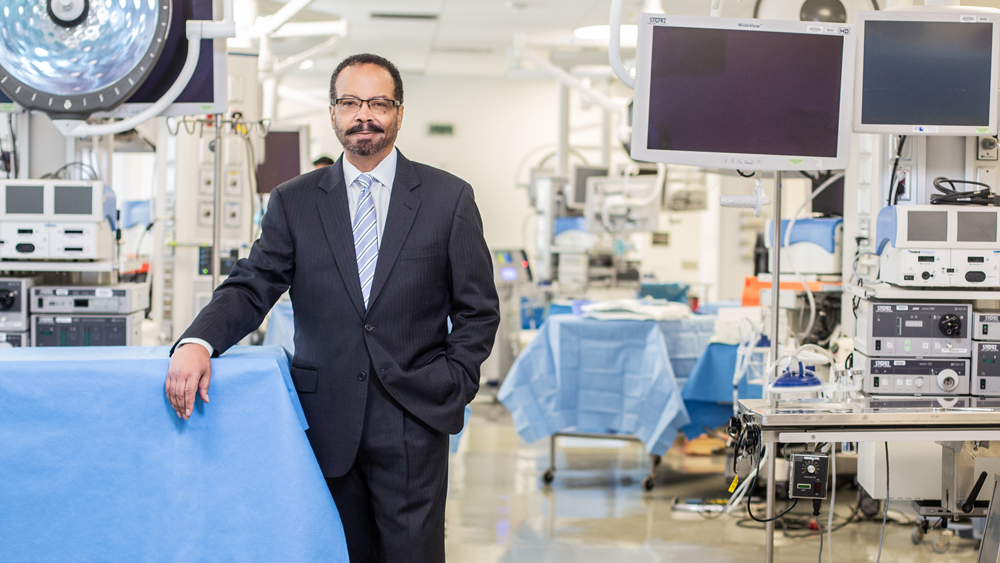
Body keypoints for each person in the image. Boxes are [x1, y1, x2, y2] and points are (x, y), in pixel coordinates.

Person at [164, 53, 501, 563]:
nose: (363, 114)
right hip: (324, 423)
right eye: (350, 102)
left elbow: (478, 310)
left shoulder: (447, 199)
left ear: (399, 113)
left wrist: (453, 380)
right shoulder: (293, 201)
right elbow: (253, 284)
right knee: (330, 553)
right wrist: (197, 341)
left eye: (378, 103)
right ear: (333, 112)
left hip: (414, 418)